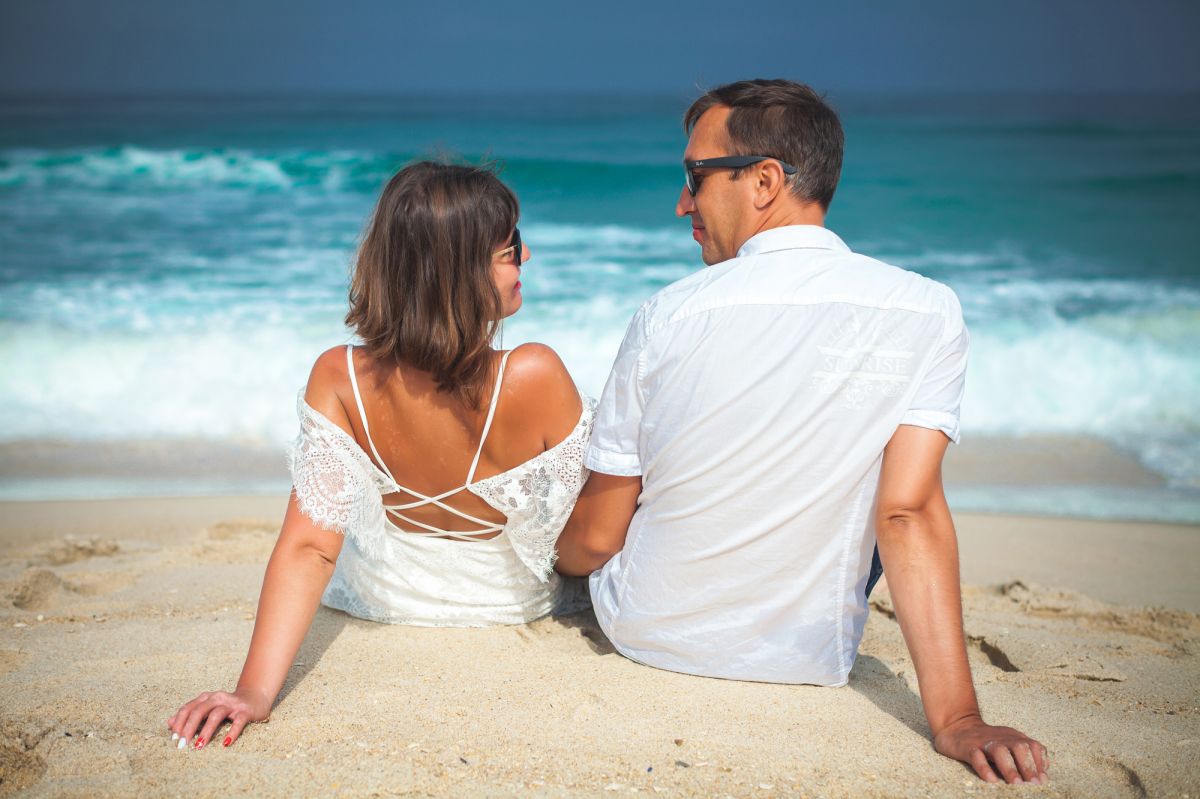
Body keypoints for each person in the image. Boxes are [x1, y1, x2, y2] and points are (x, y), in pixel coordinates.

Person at [556, 79, 1049, 786]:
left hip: (646, 632)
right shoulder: (927, 310)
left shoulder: (666, 313)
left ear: (764, 181)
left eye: (695, 177)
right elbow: (905, 513)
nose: (682, 202)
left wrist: (555, 564)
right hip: (805, 655)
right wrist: (959, 720)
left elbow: (600, 535)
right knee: (871, 472)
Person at [167, 161, 594, 750]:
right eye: (509, 248)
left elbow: (311, 545)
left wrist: (254, 691)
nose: (527, 257)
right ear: (458, 274)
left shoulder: (339, 376)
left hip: (377, 600)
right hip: (508, 606)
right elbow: (583, 538)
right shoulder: (534, 374)